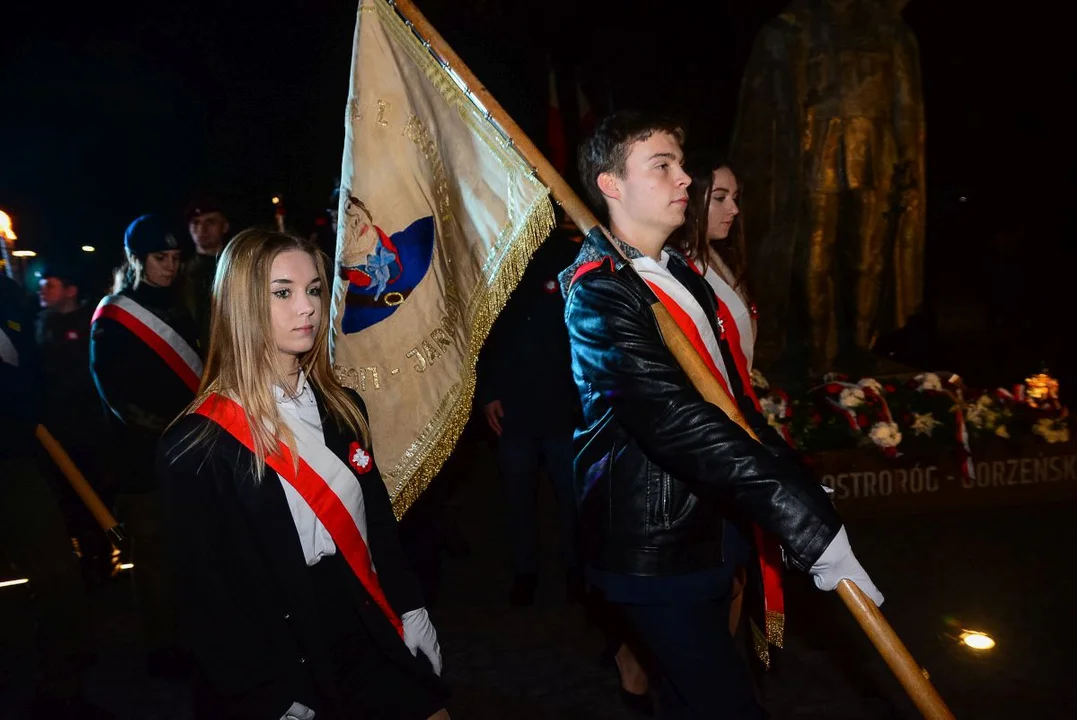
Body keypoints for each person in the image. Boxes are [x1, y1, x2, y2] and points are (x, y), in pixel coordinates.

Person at [561, 111, 883, 718]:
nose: (685, 179)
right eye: (663, 166)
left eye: (681, 166)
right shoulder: (600, 291)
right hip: (654, 546)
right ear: (611, 184)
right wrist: (803, 521)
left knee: (693, 702)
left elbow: (731, 405)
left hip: (712, 528)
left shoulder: (681, 274)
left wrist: (795, 477)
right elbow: (677, 422)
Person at [157, 229, 449, 720]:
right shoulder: (195, 444)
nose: (307, 307)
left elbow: (376, 524)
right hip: (277, 639)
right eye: (282, 292)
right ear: (241, 306)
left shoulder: (344, 408)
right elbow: (205, 592)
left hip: (361, 610)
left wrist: (410, 605)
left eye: (314, 289)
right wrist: (261, 691)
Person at [90, 214, 200, 678]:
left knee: (194, 554)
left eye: (175, 258)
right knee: (156, 561)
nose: (170, 267)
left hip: (187, 455)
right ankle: (162, 648)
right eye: (160, 258)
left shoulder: (182, 307)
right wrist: (168, 434)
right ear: (136, 260)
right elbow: (116, 397)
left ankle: (196, 638)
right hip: (143, 460)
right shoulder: (114, 316)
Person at [1, 273, 101, 719]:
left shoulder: (8, 295)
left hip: (12, 459)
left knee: (57, 573)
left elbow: (26, 369)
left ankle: (63, 686)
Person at [476, 220, 583, 606]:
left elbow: (585, 328)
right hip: (512, 406)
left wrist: (583, 393)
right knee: (518, 496)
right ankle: (525, 572)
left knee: (571, 497)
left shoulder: (567, 256)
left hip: (562, 403)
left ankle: (577, 572)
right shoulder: (497, 257)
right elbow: (481, 332)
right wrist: (487, 393)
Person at [35, 264, 115, 584]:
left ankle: (102, 555)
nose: (43, 291)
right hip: (55, 431)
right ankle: (83, 555)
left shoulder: (89, 324)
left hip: (89, 429)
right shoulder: (40, 325)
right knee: (66, 499)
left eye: (50, 285)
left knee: (94, 491)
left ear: (70, 290)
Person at [182, 194, 231, 353]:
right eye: (195, 223)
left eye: (210, 222)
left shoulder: (238, 268)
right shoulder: (179, 273)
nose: (201, 229)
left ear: (224, 226)